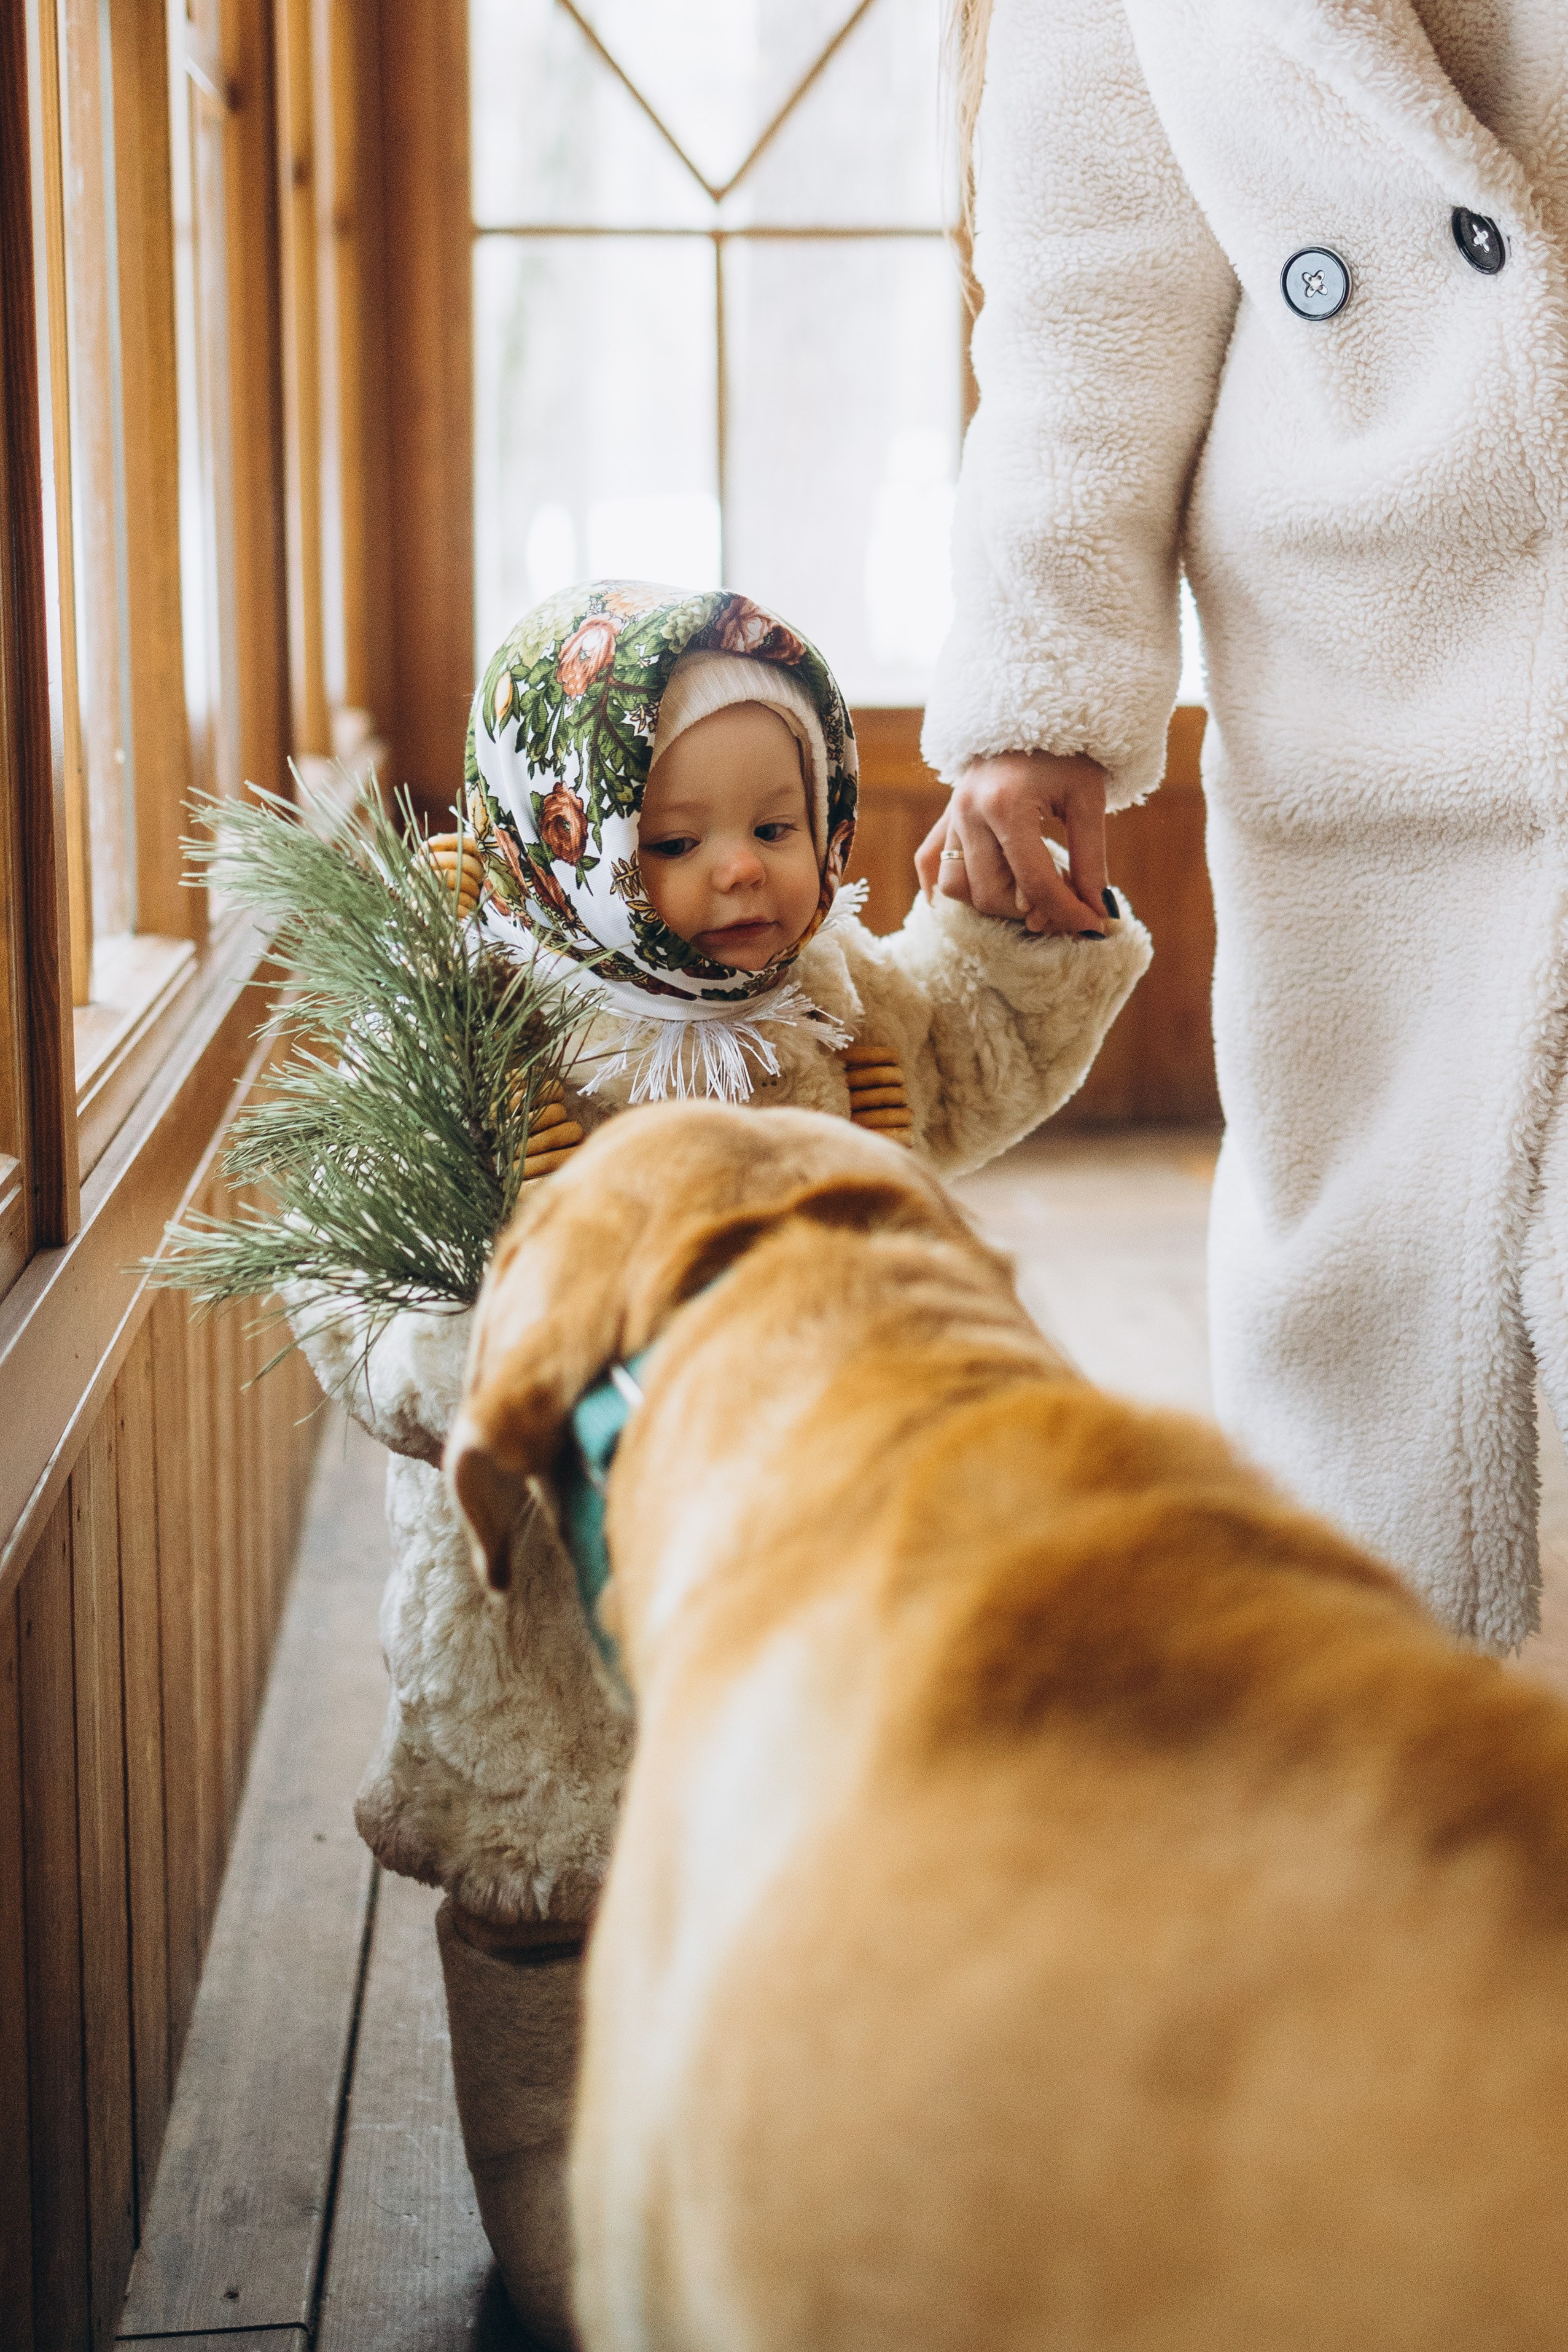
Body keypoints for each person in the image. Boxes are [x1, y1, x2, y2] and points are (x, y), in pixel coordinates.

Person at [298, 578, 1149, 2340]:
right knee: (556, 1900)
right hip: (547, 1569)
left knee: (795, 1857)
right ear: (561, 834)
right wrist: (471, 1362)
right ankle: (551, 2186)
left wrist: (1027, 937)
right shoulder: (470, 1036)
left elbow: (967, 1057)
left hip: (810, 1519)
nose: (743, 870)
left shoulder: (835, 1003)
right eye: (672, 837)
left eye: (779, 822)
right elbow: (343, 1264)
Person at [919, 0, 1568, 1655]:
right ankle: (1367, 1740)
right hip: (1365, 664)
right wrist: (1036, 700)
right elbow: (1084, 307)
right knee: (1360, 1252)